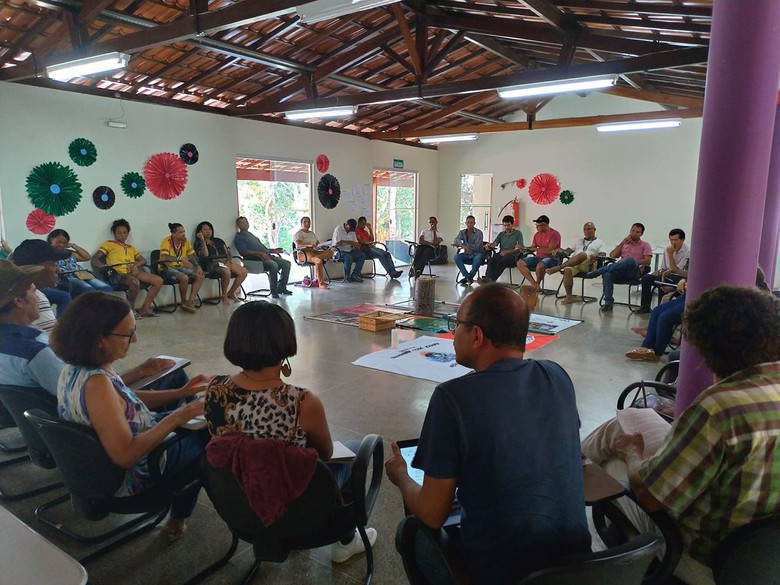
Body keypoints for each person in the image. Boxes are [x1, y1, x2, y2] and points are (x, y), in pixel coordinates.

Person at [385, 284, 590, 584]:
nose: (453, 334)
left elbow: (432, 514)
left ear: (477, 336)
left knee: (409, 532)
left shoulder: (451, 398)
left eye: (457, 326)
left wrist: (401, 475)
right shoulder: (556, 375)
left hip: (502, 573)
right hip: (576, 567)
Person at [582, 284, 780, 585]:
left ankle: (566, 482)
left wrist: (632, 452)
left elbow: (649, 497)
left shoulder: (718, 409)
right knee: (628, 424)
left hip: (707, 559)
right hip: (765, 556)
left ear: (703, 347)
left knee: (614, 449)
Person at [203, 301, 377, 563]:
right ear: (285, 341)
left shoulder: (214, 389)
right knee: (352, 450)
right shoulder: (302, 402)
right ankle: (347, 540)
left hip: (239, 501)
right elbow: (324, 453)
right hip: (296, 507)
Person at [52, 292, 208, 541]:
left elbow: (121, 401)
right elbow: (126, 455)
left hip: (103, 462)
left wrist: (181, 393)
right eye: (127, 334)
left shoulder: (75, 369)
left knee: (192, 408)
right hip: (135, 475)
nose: (134, 340)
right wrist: (181, 414)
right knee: (206, 435)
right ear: (99, 339)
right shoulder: (97, 383)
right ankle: (180, 515)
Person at [0, 261, 191, 397]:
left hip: (48, 422)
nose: (39, 297)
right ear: (18, 301)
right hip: (100, 432)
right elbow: (91, 400)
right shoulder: (37, 353)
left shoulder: (12, 344)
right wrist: (139, 372)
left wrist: (140, 371)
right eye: (34, 292)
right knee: (175, 375)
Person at [92, 219, 163, 319]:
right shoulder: (109, 244)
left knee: (158, 280)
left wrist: (135, 266)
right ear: (114, 233)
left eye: (125, 232)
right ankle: (131, 309)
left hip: (132, 271)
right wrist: (103, 266)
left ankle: (145, 308)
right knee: (134, 282)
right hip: (118, 273)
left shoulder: (131, 248)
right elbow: (95, 258)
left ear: (128, 233)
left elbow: (143, 260)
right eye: (119, 233)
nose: (122, 235)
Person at [585, 222, 652, 311]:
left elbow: (648, 261)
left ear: (641, 234)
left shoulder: (645, 245)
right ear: (630, 230)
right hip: (620, 270)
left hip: (634, 272)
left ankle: (599, 271)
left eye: (637, 232)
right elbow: (612, 255)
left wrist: (634, 262)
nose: (634, 233)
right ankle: (608, 303)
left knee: (630, 260)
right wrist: (622, 243)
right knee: (607, 274)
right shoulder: (624, 243)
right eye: (633, 230)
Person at [12, 239, 68, 333]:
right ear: (35, 268)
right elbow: (57, 343)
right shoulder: (29, 299)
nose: (58, 270)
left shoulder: (37, 294)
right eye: (54, 264)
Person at [547, 222, 607, 304]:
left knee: (582, 255)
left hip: (588, 265)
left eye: (589, 229)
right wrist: (560, 250)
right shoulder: (579, 241)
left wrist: (596, 255)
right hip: (574, 264)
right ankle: (569, 296)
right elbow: (568, 251)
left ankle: (558, 268)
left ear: (594, 230)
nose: (586, 231)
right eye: (585, 229)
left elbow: (603, 254)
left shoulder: (600, 242)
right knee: (567, 270)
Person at [234, 216, 292, 298]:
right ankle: (274, 291)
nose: (246, 224)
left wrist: (274, 250)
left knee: (286, 264)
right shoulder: (239, 237)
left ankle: (281, 287)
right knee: (273, 265)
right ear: (238, 226)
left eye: (246, 221)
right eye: (243, 223)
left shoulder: (251, 235)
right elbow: (243, 252)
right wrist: (260, 254)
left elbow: (263, 249)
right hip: (256, 261)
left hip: (266, 257)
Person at [636, 228, 689, 313]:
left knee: (662, 281)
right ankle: (645, 306)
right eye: (671, 240)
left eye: (676, 240)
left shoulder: (687, 252)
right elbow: (664, 267)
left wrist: (670, 255)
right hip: (666, 274)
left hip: (678, 277)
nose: (673, 243)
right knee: (646, 278)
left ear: (682, 240)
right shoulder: (667, 250)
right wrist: (659, 271)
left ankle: (661, 308)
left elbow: (675, 270)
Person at [47, 229, 113, 296]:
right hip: (66, 278)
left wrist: (74, 246)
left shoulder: (68, 252)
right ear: (51, 239)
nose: (61, 245)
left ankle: (103, 306)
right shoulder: (48, 253)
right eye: (59, 242)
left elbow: (87, 257)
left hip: (82, 275)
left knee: (106, 288)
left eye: (64, 243)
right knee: (88, 289)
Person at [193, 221, 247, 304]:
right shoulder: (198, 243)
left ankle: (231, 292)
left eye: (210, 229)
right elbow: (205, 254)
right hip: (212, 264)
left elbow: (228, 254)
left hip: (225, 261)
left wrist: (228, 256)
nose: (208, 231)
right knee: (227, 272)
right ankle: (224, 295)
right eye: (205, 229)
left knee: (243, 272)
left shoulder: (218, 241)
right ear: (199, 232)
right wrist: (202, 240)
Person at [159, 223, 205, 313]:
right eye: (180, 232)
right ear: (173, 234)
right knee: (184, 278)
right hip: (166, 268)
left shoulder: (185, 241)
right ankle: (183, 301)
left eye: (184, 231)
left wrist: (198, 266)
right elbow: (164, 257)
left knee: (200, 276)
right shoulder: (166, 241)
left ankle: (190, 301)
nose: (183, 234)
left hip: (180, 268)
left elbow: (192, 256)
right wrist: (180, 259)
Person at [515, 215, 561, 291]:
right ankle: (534, 284)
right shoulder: (537, 234)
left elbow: (548, 251)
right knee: (520, 263)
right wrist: (524, 247)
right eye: (536, 225)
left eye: (538, 226)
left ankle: (537, 285)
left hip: (552, 259)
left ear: (545, 225)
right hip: (538, 257)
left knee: (540, 266)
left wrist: (535, 249)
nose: (536, 227)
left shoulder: (555, 234)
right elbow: (532, 248)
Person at [479, 215, 524, 284]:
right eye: (505, 225)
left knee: (503, 261)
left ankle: (491, 280)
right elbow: (495, 243)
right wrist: (489, 245)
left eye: (508, 225)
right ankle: (488, 278)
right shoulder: (501, 234)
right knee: (492, 260)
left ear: (512, 224)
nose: (506, 227)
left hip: (513, 255)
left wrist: (507, 252)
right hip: (502, 253)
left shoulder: (518, 233)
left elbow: (520, 248)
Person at [293, 216, 333, 289]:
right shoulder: (299, 233)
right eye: (304, 222)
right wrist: (309, 245)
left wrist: (323, 245)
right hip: (303, 254)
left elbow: (318, 244)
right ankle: (321, 283)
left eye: (308, 222)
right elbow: (298, 245)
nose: (307, 223)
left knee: (330, 252)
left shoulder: (312, 234)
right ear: (301, 224)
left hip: (314, 252)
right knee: (318, 261)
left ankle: (316, 257)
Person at [452, 215, 485, 285]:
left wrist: (466, 246)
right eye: (468, 223)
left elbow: (477, 246)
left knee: (478, 257)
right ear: (465, 223)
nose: (469, 224)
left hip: (477, 254)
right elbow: (456, 239)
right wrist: (462, 245)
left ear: (474, 223)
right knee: (456, 257)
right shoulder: (462, 232)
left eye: (471, 223)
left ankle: (469, 276)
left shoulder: (479, 233)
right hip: (467, 254)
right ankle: (467, 277)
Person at [331, 219, 366, 283]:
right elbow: (337, 243)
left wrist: (355, 245)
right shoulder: (338, 229)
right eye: (348, 229)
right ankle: (347, 276)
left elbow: (355, 241)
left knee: (362, 255)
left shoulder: (352, 230)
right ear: (346, 224)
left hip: (349, 250)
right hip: (338, 252)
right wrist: (350, 242)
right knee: (348, 257)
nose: (349, 231)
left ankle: (355, 275)